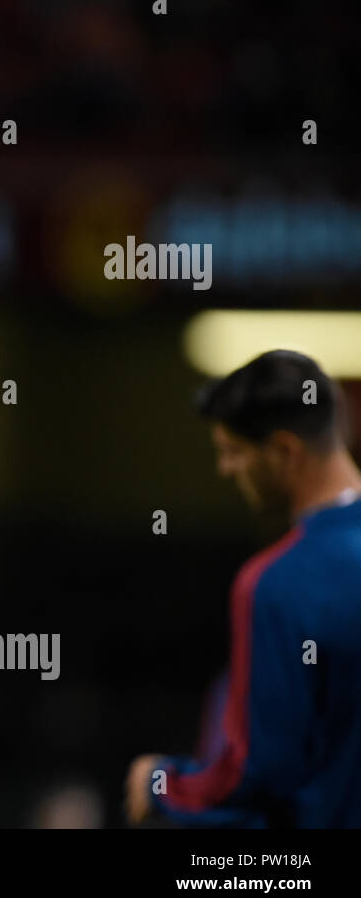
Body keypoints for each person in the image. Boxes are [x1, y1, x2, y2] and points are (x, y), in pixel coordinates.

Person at [125, 350, 361, 827]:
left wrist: (163, 784)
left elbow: (260, 771)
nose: (226, 470)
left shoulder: (278, 581)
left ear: (283, 452)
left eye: (234, 452)